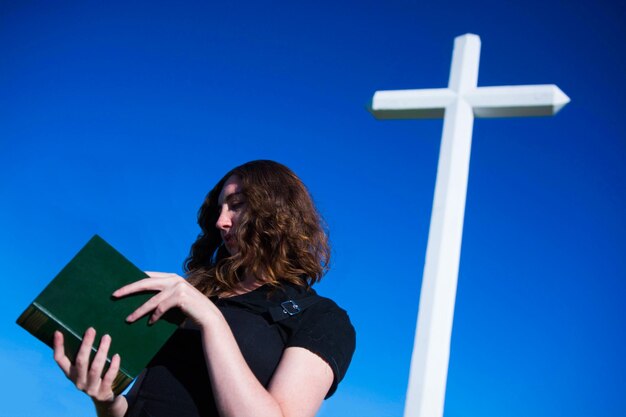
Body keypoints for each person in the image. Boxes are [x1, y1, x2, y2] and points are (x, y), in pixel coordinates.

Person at [53, 160, 356, 417]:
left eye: (236, 206)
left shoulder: (321, 317)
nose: (222, 222)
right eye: (219, 210)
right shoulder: (190, 297)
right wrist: (106, 400)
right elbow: (137, 403)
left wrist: (211, 319)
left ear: (278, 213)